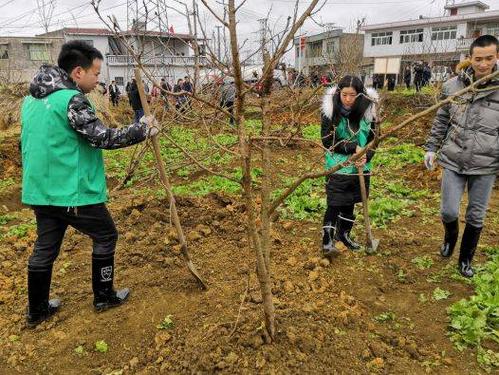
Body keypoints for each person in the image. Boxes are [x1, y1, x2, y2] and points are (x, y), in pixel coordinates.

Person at [20, 40, 159, 328]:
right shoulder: (71, 99)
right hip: (73, 191)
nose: (98, 80)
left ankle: (37, 310)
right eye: (96, 74)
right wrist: (142, 128)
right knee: (106, 235)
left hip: (40, 190)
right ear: (78, 72)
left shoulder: (31, 100)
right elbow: (101, 137)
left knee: (45, 247)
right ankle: (104, 296)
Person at [424, 35, 499, 278]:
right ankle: (450, 239)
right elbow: (442, 121)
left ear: (496, 57)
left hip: (485, 163)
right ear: (470, 58)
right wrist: (431, 148)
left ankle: (465, 259)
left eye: (489, 58)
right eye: (478, 58)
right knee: (448, 211)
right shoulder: (454, 86)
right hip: (454, 159)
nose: (484, 64)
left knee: (476, 215)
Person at [320, 75, 378, 257]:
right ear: (339, 93)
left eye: (352, 95)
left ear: (359, 95)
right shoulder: (330, 111)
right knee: (335, 201)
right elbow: (327, 140)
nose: (347, 99)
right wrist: (353, 148)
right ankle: (327, 239)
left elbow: (374, 140)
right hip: (338, 163)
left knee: (351, 201)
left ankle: (343, 235)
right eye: (344, 94)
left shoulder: (370, 111)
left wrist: (366, 156)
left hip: (360, 166)